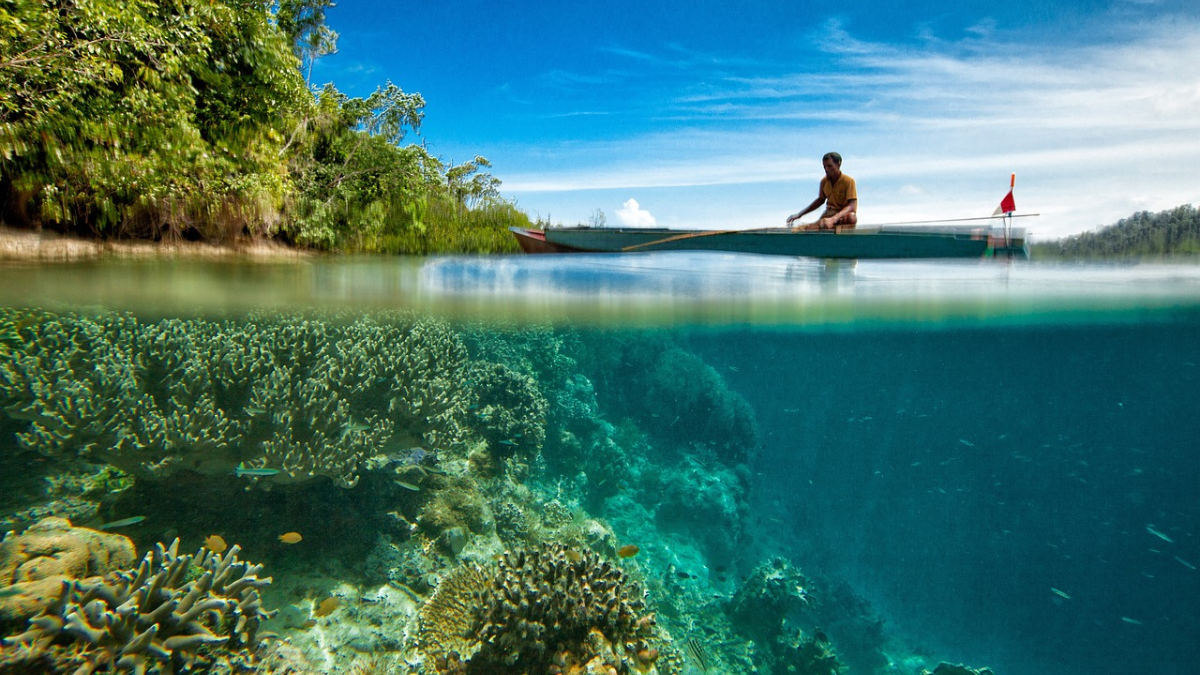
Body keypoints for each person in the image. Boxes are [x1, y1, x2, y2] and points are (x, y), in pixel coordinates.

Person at [786, 152, 857, 230]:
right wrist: (799, 214)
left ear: (838, 164)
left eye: (830, 166)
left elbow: (852, 205)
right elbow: (820, 200)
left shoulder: (848, 181)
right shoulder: (824, 181)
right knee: (800, 229)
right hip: (828, 215)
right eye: (824, 166)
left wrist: (834, 219)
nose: (826, 169)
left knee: (852, 217)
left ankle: (835, 227)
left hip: (841, 216)